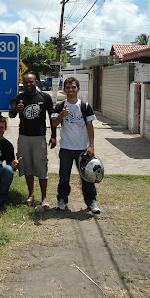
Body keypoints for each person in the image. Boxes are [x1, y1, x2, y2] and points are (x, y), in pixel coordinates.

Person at [51, 77, 101, 214]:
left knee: (87, 177)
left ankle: (91, 201)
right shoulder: (60, 106)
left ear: (78, 89)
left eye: (73, 87)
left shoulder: (85, 106)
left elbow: (90, 127)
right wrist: (62, 115)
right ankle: (62, 199)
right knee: (64, 178)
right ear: (64, 89)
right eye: (68, 87)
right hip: (66, 148)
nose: (71, 90)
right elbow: (54, 124)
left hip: (83, 149)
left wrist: (91, 146)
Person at [8, 72, 56, 209]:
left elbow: (52, 118)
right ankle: (31, 194)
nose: (28, 84)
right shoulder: (19, 98)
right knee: (27, 166)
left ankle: (44, 197)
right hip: (23, 137)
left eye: (31, 82)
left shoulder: (45, 97)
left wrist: (53, 136)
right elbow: (11, 115)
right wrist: (17, 110)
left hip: (40, 137)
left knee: (41, 167)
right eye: (26, 82)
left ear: (37, 82)